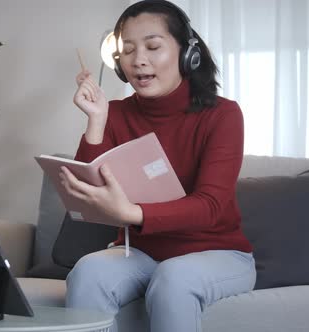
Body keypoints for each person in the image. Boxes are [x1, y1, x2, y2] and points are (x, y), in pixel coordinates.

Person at [59, 1, 256, 331]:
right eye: (128, 50)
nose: (138, 60)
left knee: (174, 278)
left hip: (219, 254)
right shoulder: (115, 113)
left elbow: (210, 206)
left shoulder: (222, 115)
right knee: (88, 272)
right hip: (141, 255)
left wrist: (131, 213)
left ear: (186, 54)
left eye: (153, 46)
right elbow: (86, 200)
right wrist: (96, 121)